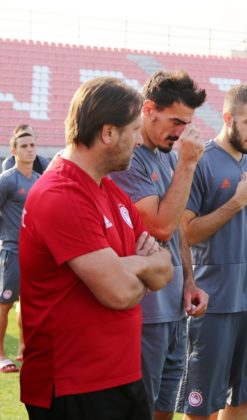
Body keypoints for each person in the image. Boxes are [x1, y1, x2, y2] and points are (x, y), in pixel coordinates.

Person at [19, 77, 174, 419]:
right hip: (74, 385)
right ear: (108, 133)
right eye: (134, 130)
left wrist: (128, 265)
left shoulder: (110, 191)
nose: (138, 140)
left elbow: (166, 269)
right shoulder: (61, 194)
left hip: (121, 375)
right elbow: (119, 292)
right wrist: (140, 267)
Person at [109, 70, 209, 418]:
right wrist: (188, 163)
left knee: (166, 407)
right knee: (141, 408)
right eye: (175, 121)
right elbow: (161, 226)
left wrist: (189, 281)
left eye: (187, 123)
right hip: (146, 310)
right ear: (148, 109)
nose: (180, 131)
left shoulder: (166, 154)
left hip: (174, 305)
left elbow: (178, 226)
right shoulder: (128, 158)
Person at [177, 84, 247, 420]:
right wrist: (236, 201)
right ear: (227, 118)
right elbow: (187, 232)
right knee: (201, 405)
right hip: (214, 303)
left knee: (241, 401)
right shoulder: (202, 161)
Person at [0, 130, 40, 374]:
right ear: (14, 151)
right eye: (24, 146)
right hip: (12, 250)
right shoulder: (7, 180)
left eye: (32, 145)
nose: (29, 149)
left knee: (29, 303)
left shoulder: (40, 180)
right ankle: (0, 355)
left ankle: (24, 349)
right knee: (5, 303)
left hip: (34, 252)